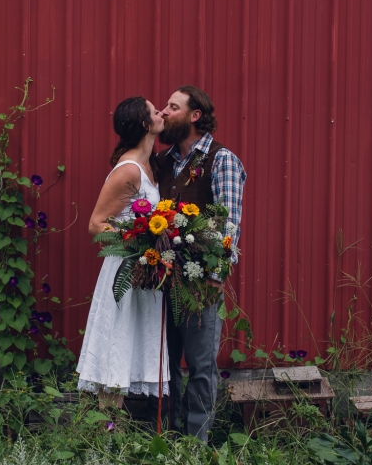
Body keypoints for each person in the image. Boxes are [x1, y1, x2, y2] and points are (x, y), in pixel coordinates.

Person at [156, 85, 246, 441]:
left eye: (173, 107)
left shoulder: (222, 160)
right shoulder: (162, 162)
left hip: (200, 283)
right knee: (165, 366)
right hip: (162, 280)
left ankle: (197, 446)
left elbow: (229, 226)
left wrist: (213, 277)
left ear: (195, 116)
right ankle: (169, 439)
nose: (164, 112)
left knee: (201, 367)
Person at [77, 96, 170, 409]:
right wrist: (138, 241)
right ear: (145, 124)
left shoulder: (150, 165)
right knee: (116, 347)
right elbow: (96, 224)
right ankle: (107, 431)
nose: (161, 113)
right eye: (155, 111)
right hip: (125, 272)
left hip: (143, 272)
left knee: (129, 344)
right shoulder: (128, 170)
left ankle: (114, 430)